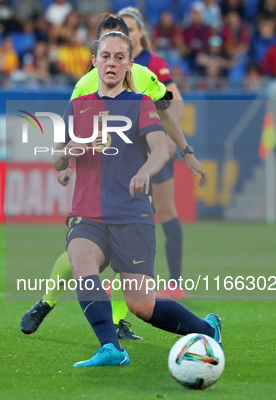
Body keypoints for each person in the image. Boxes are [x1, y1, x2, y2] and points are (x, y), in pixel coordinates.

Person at [20, 15, 207, 339]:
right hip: (95, 192)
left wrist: (186, 152)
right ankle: (49, 303)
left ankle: (120, 323)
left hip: (132, 188)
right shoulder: (83, 89)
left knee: (135, 286)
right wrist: (66, 164)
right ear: (95, 54)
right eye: (106, 50)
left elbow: (165, 114)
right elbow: (66, 142)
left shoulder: (146, 79)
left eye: (120, 50)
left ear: (132, 49)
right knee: (78, 258)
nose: (112, 58)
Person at [54, 30, 221, 367]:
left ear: (129, 65)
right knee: (81, 264)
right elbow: (58, 159)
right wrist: (71, 150)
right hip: (88, 214)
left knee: (141, 305)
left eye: (119, 57)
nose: (111, 63)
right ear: (94, 61)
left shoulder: (140, 104)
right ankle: (112, 349)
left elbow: (160, 149)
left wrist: (145, 170)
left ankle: (207, 330)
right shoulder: (77, 107)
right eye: (105, 56)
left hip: (131, 215)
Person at [118, 7, 188, 299]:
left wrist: (170, 139)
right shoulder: (117, 60)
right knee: (128, 213)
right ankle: (132, 281)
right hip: (128, 150)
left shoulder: (152, 62)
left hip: (152, 148)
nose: (127, 35)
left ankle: (174, 283)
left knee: (164, 210)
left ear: (141, 33)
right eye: (122, 30)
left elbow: (176, 101)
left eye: (131, 29)